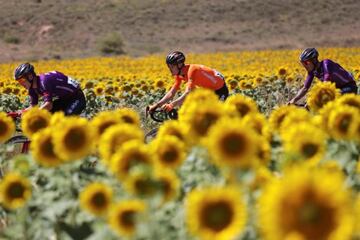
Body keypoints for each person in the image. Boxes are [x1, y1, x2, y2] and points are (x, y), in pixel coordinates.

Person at [147, 51, 229, 113]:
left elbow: (188, 92)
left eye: (172, 66)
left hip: (220, 91)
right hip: (207, 91)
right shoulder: (179, 75)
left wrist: (172, 105)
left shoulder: (192, 70)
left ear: (179, 65)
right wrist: (156, 105)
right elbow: (171, 93)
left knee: (211, 115)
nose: (170, 69)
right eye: (169, 66)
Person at [288, 48, 358, 105]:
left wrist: (313, 99)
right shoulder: (312, 72)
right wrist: (293, 100)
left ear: (314, 60)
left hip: (349, 87)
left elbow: (326, 81)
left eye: (306, 63)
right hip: (337, 90)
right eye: (303, 64)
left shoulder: (326, 63)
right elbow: (305, 88)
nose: (305, 66)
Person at [13, 63, 86, 116]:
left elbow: (48, 105)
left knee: (64, 119)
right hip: (64, 99)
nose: (21, 84)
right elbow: (33, 106)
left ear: (30, 76)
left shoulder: (44, 81)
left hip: (77, 98)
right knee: (48, 116)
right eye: (19, 81)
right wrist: (21, 112)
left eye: (22, 80)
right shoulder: (32, 88)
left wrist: (34, 114)